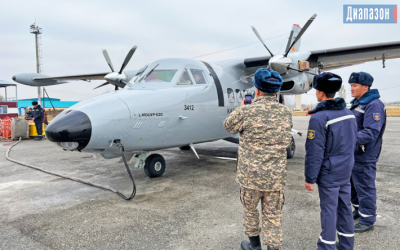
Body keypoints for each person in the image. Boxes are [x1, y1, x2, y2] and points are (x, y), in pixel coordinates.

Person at [224, 68, 292, 250]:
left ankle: (254, 246)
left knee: (250, 211)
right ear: (276, 91)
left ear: (257, 89)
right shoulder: (286, 113)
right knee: (273, 215)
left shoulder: (246, 111)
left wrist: (241, 109)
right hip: (274, 178)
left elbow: (228, 126)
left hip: (250, 177)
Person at [304, 72, 357, 250]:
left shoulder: (319, 117)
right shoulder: (350, 114)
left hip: (329, 174)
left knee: (329, 211)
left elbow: (314, 151)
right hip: (345, 171)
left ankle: (326, 246)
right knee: (345, 209)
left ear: (320, 93)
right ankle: (347, 245)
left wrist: (310, 178)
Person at [348, 72, 386, 233]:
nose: (351, 89)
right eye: (350, 85)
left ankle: (367, 219)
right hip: (354, 153)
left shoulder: (374, 104)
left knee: (364, 187)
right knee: (353, 186)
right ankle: (359, 210)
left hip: (365, 154)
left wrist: (345, 139)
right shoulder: (358, 103)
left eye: (354, 86)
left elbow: (371, 132)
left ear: (366, 87)